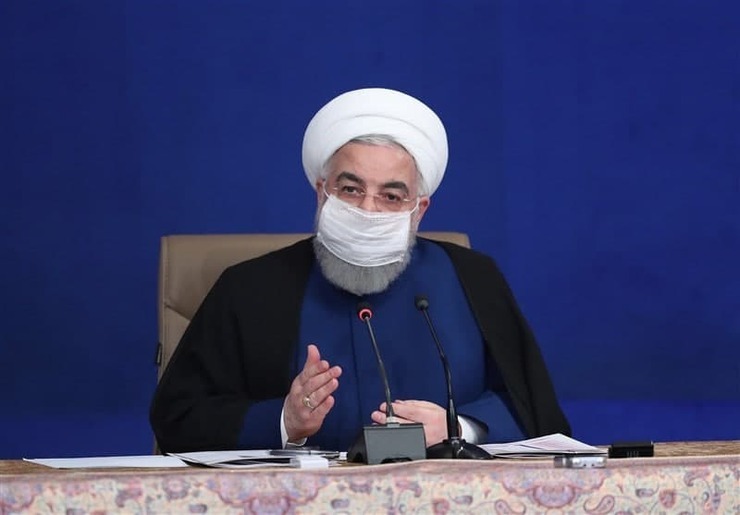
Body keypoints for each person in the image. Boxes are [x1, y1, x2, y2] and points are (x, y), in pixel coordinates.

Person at [150, 87, 570, 453]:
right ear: (322, 192)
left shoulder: (472, 279)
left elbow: (536, 411)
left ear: (419, 210)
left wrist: (458, 428)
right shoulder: (251, 288)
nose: (368, 209)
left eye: (391, 196)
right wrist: (283, 421)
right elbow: (178, 418)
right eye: (351, 189)